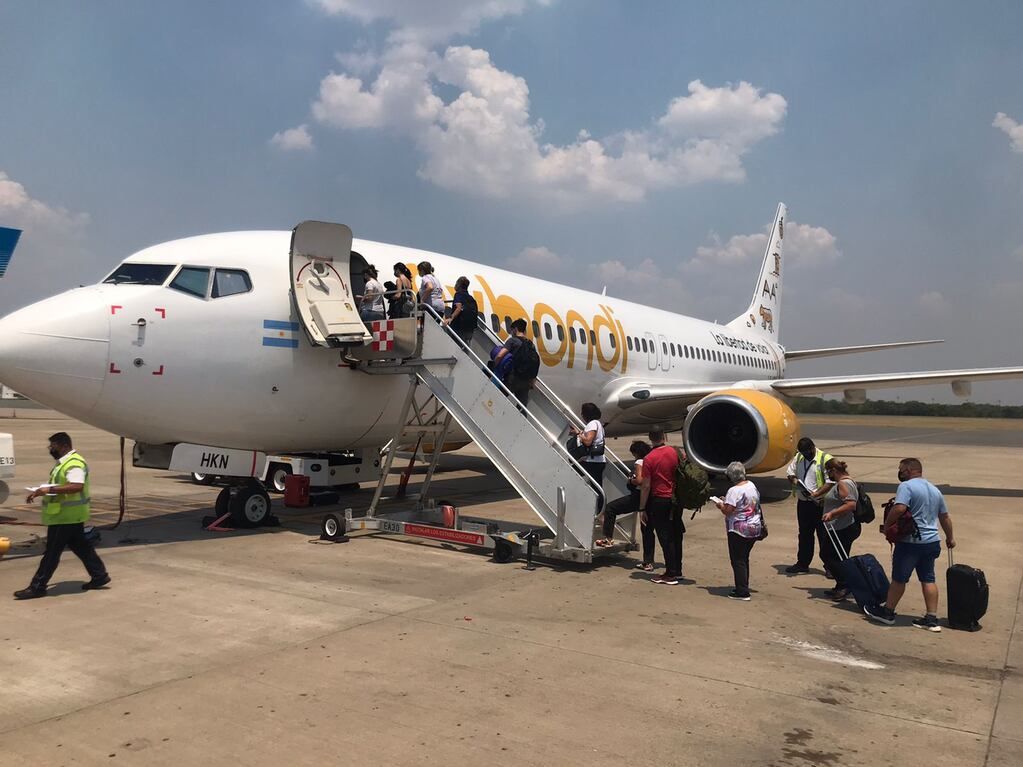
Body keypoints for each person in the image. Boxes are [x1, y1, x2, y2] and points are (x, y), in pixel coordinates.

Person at [14, 432, 110, 599]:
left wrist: (48, 489)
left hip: (65, 517)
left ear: (64, 446)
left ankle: (37, 586)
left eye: (54, 446)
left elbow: (76, 486)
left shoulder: (74, 463)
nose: (51, 449)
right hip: (69, 515)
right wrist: (41, 491)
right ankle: (99, 575)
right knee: (81, 547)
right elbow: (63, 485)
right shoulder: (65, 462)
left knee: (52, 552)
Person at [864, 458, 955, 632]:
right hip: (932, 541)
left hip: (911, 542)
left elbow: (899, 508)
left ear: (910, 470)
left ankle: (888, 612)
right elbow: (944, 516)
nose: (900, 472)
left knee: (899, 578)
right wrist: (950, 538)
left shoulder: (906, 487)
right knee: (928, 579)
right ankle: (931, 618)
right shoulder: (934, 489)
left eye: (901, 469)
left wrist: (887, 526)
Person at [596, 441, 654, 566]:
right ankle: (648, 561)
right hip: (651, 496)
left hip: (638, 496)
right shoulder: (650, 460)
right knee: (647, 530)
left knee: (611, 508)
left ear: (637, 453)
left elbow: (640, 480)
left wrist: (631, 480)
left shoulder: (639, 462)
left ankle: (608, 538)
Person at [714, 461, 763, 601]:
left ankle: (742, 591)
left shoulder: (734, 490)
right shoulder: (751, 485)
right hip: (754, 528)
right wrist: (727, 501)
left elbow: (728, 511)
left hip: (739, 530)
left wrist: (720, 505)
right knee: (744, 558)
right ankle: (743, 585)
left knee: (738, 560)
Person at [784, 437, 833, 574]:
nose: (806, 456)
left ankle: (830, 566)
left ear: (812, 448)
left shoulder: (825, 459)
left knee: (824, 536)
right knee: (804, 535)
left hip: (821, 504)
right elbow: (790, 473)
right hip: (804, 503)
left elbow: (830, 482)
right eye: (803, 453)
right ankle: (803, 563)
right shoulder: (799, 457)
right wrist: (795, 481)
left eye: (807, 453)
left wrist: (816, 494)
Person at [639, 428, 682, 585]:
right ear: (664, 436)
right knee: (676, 535)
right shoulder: (675, 452)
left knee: (665, 537)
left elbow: (646, 486)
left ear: (650, 438)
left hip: (660, 500)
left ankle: (670, 574)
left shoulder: (649, 458)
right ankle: (677, 570)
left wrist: (642, 508)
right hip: (676, 499)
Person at [818, 458, 861, 602]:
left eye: (828, 472)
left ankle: (845, 585)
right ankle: (840, 585)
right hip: (840, 527)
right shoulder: (846, 481)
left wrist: (832, 513)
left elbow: (850, 505)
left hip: (842, 527)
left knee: (829, 556)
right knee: (837, 557)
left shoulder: (843, 483)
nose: (828, 475)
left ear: (834, 471)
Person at [569, 402, 606, 517]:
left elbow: (588, 441)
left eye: (582, 413)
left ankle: (599, 513)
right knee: (597, 488)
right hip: (597, 461)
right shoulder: (597, 423)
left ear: (586, 414)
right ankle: (600, 513)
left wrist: (579, 433)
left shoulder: (592, 424)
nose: (581, 415)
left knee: (571, 473)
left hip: (592, 462)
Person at [493, 319, 538, 406]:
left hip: (513, 378)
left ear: (515, 329)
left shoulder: (512, 341)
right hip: (525, 381)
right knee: (522, 407)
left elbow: (500, 355)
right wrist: (532, 382)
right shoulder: (531, 345)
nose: (511, 333)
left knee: (496, 399)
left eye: (511, 330)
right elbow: (534, 363)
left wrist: (494, 366)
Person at [443, 276, 478, 345]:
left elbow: (458, 308)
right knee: (464, 346)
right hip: (470, 328)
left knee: (454, 343)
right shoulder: (470, 298)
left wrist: (450, 318)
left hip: (459, 327)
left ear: (459, 285)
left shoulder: (458, 295)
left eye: (456, 283)